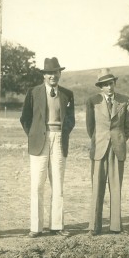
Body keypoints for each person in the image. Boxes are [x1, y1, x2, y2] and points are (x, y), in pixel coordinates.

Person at [20, 57, 75, 238]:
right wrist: (34, 134)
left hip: (59, 139)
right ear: (44, 75)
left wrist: (62, 133)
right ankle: (36, 227)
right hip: (39, 142)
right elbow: (25, 118)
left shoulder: (67, 94)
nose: (53, 76)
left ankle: (57, 225)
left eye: (56, 72)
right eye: (49, 73)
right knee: (37, 184)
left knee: (58, 183)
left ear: (60, 74)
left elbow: (70, 120)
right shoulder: (33, 92)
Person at [85, 68, 129, 235]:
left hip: (117, 148)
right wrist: (100, 140)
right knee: (97, 186)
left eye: (111, 83)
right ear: (100, 87)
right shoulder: (93, 101)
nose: (109, 87)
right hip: (99, 148)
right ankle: (94, 226)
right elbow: (90, 127)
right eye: (105, 85)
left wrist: (119, 139)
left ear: (115, 83)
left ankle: (115, 226)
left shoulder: (124, 100)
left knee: (116, 187)